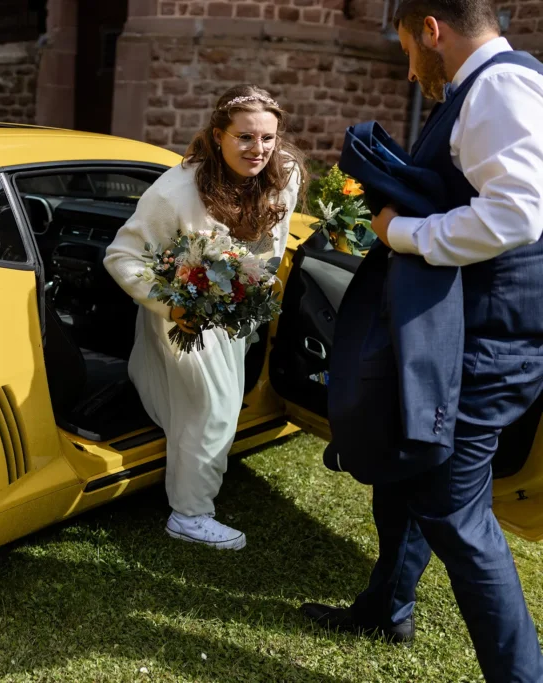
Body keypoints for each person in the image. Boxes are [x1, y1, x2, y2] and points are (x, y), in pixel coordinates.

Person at [300, 0, 543, 679]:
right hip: (462, 332)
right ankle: (387, 606)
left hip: (491, 343)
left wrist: (400, 234)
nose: (410, 70)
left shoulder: (500, 85)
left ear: (432, 30)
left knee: (454, 511)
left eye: (407, 47)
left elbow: (516, 214)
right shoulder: (490, 88)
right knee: (405, 466)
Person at [103, 85, 305, 550]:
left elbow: (273, 242)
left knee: (215, 403)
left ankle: (185, 452)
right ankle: (190, 515)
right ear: (218, 136)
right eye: (245, 138)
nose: (259, 150)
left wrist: (251, 296)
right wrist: (173, 305)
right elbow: (121, 257)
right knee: (213, 411)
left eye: (269, 139)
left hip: (239, 311)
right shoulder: (175, 191)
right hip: (184, 315)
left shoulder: (284, 174)